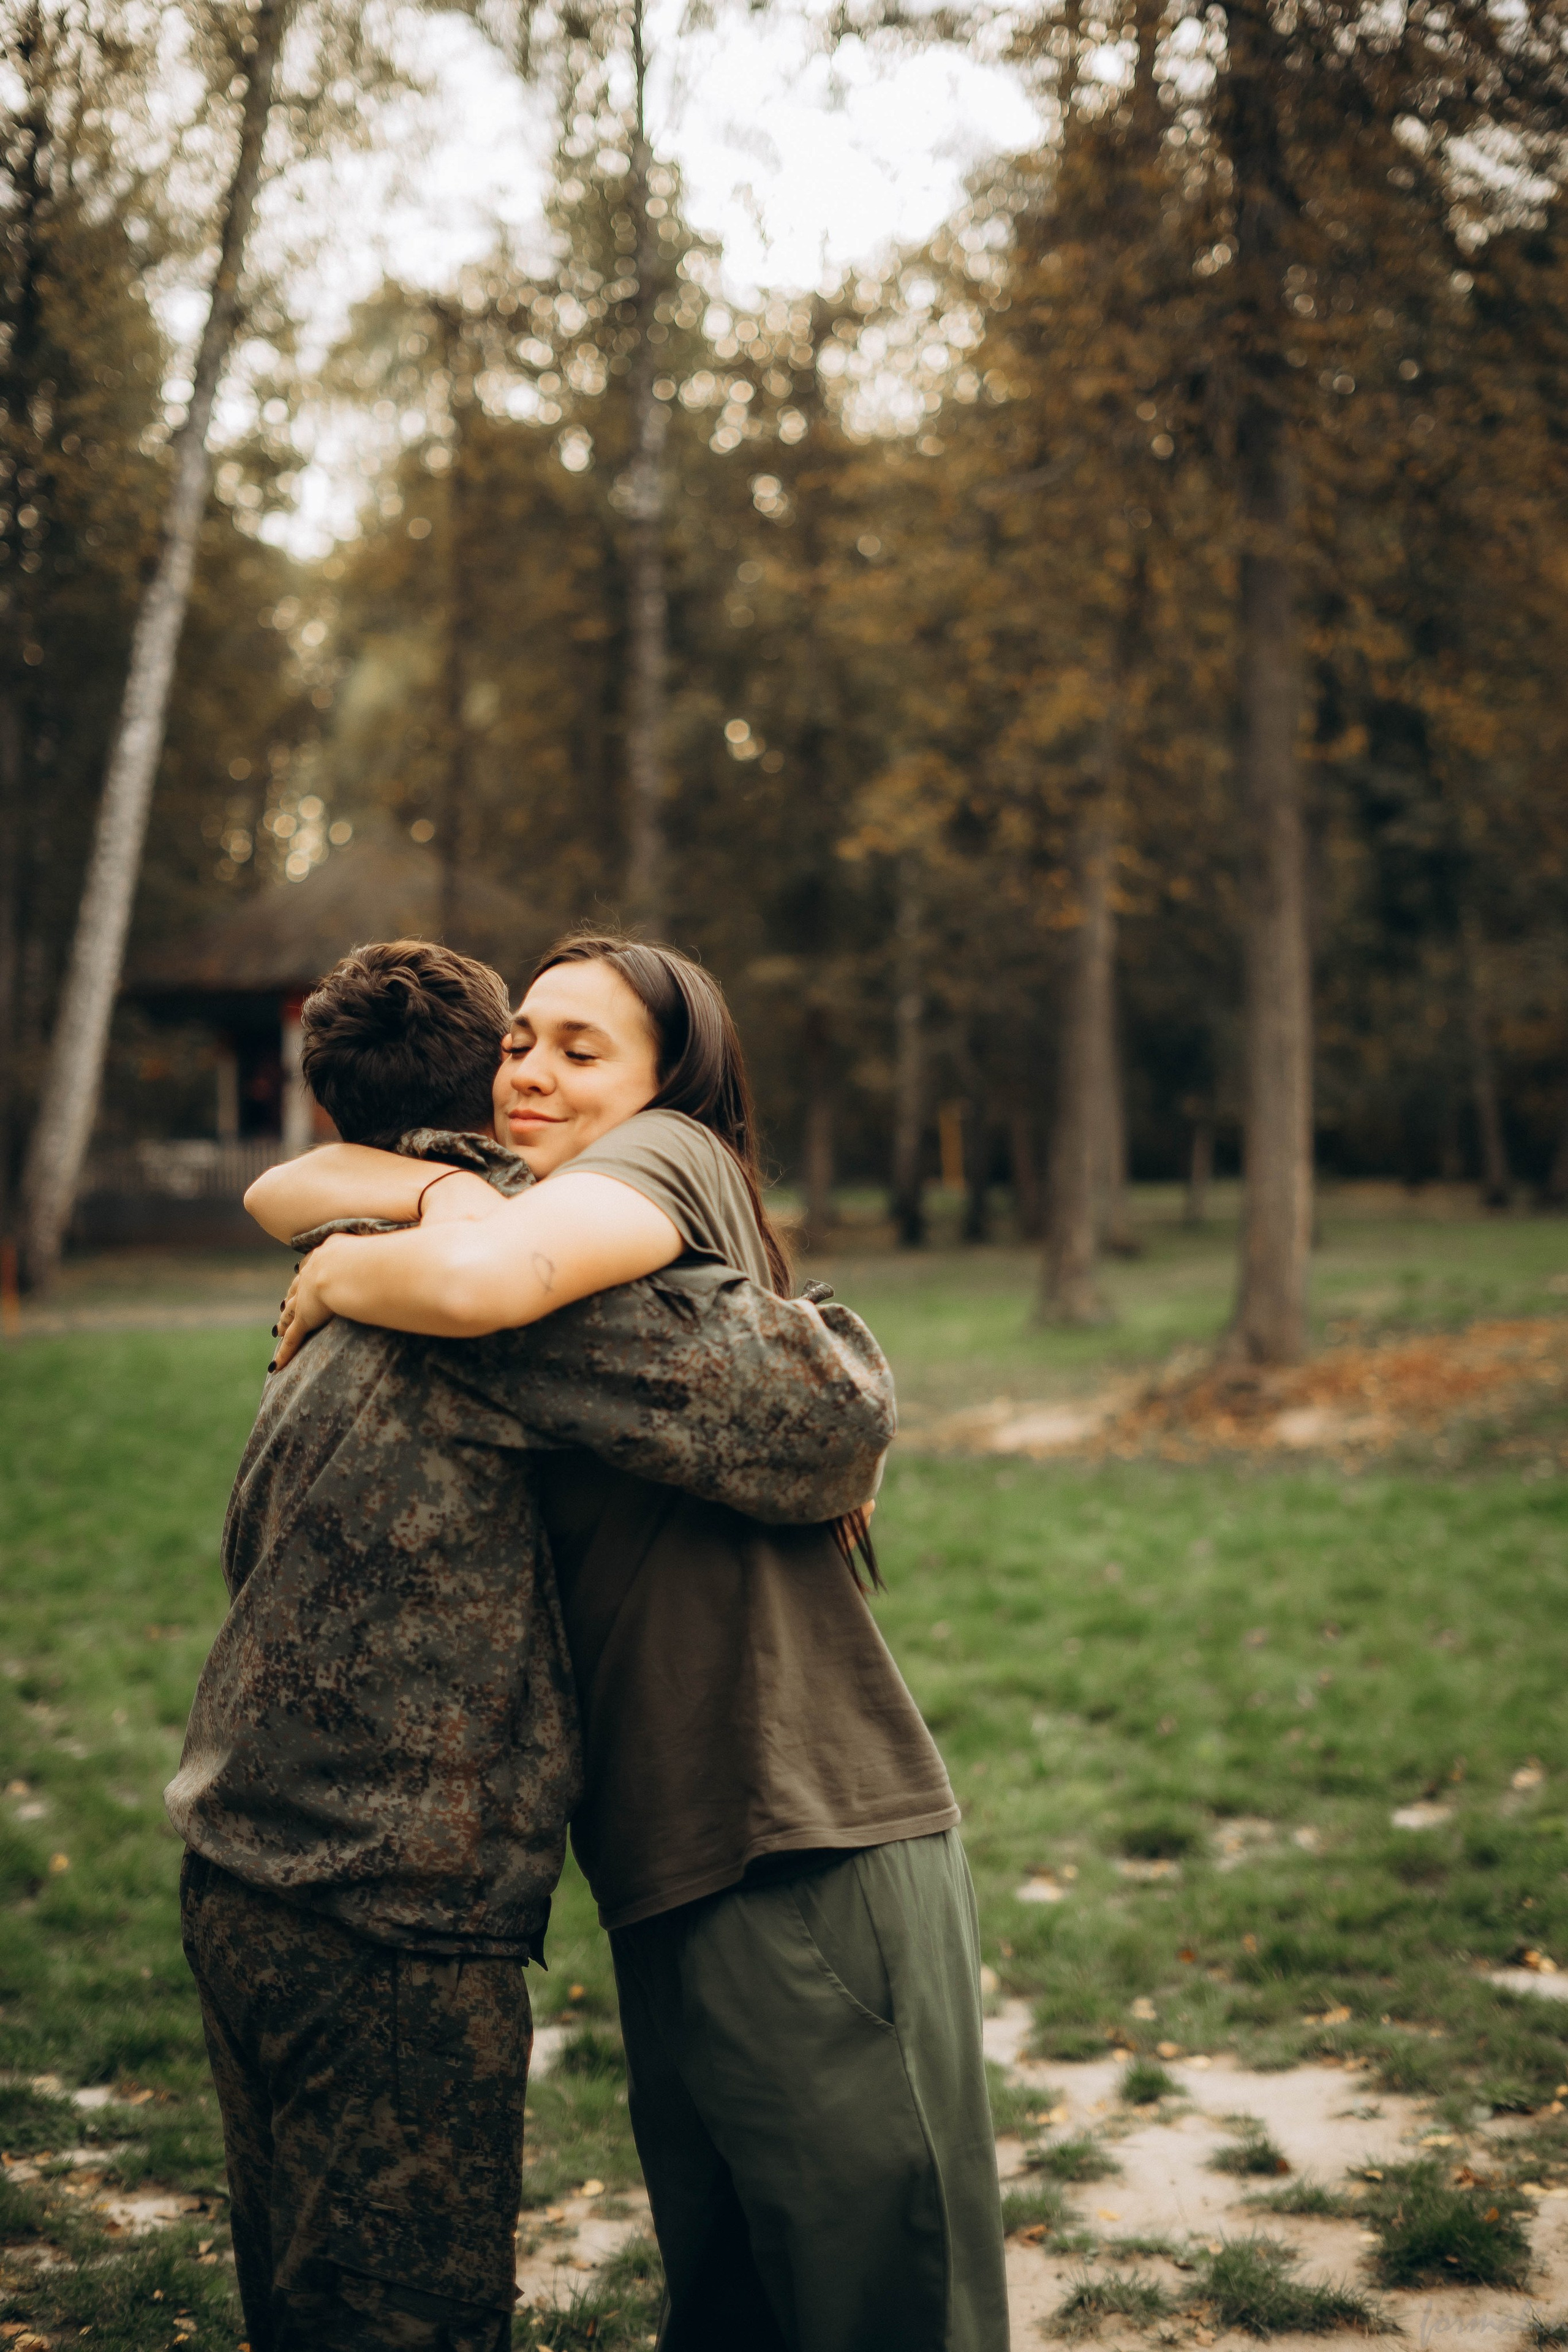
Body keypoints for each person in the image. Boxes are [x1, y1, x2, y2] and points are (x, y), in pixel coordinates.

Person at [252, 932, 1010, 2352]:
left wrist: (354, 1270)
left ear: (673, 1085)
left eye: (578, 1048)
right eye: (520, 1040)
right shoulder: (535, 1209)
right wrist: (417, 1196)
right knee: (735, 2305)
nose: (531, 1068)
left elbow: (464, 1280)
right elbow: (283, 1182)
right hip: (673, 1864)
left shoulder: (658, 1161)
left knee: (879, 2308)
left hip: (808, 1837)